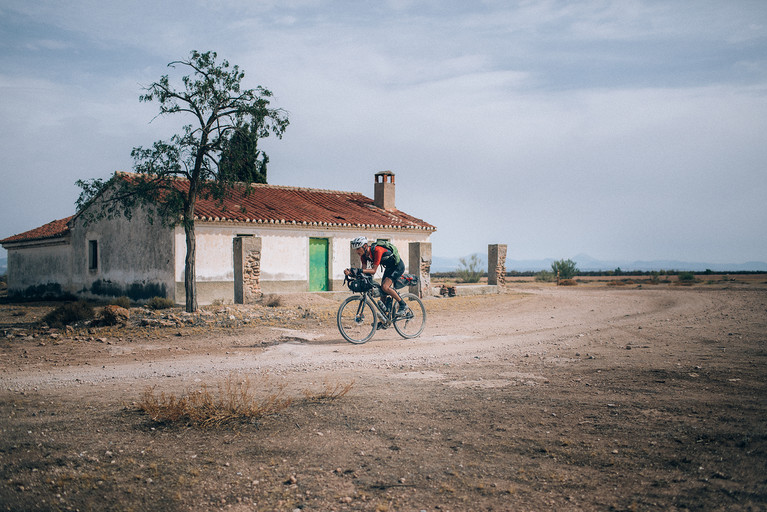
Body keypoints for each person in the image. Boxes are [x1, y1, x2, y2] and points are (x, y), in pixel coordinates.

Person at [345, 236, 410, 316]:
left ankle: (403, 305)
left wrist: (359, 270)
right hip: (389, 268)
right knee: (382, 293)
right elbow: (363, 272)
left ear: (365, 246)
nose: (356, 251)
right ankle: (385, 318)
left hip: (397, 267)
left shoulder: (377, 250)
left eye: (358, 248)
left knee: (385, 287)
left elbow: (373, 271)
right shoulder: (363, 256)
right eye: (355, 249)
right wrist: (351, 273)